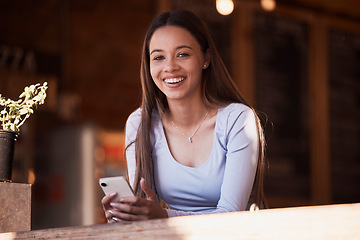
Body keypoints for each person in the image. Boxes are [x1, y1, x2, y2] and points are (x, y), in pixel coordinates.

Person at [102, 10, 266, 222]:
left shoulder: (237, 120)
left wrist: (163, 216)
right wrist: (122, 216)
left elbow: (231, 217)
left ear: (206, 58)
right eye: (159, 57)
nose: (170, 67)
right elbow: (143, 209)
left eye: (182, 54)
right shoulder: (140, 123)